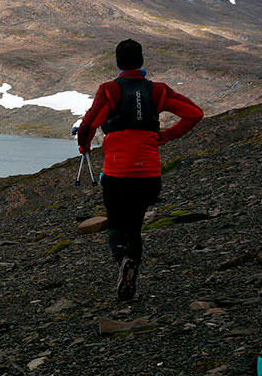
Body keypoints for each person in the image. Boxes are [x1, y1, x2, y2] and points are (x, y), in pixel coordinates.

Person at [76, 39, 203, 301]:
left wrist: (84, 146)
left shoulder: (110, 90)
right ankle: (131, 274)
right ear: (142, 60)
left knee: (116, 224)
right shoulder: (157, 91)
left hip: (117, 174)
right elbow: (194, 113)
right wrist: (163, 136)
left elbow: (90, 123)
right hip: (148, 174)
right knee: (134, 228)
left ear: (118, 62)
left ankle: (123, 263)